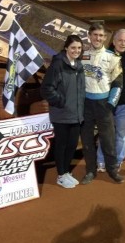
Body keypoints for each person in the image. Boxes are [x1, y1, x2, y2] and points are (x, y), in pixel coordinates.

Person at [80, 23, 125, 184]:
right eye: (95, 35)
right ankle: (90, 171)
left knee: (108, 140)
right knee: (86, 141)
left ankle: (112, 171)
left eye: (101, 35)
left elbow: (118, 84)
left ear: (105, 38)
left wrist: (110, 104)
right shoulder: (82, 55)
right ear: (89, 36)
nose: (98, 38)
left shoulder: (113, 57)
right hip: (86, 105)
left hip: (103, 104)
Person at [40, 35, 85, 188]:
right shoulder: (58, 64)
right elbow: (46, 88)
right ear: (66, 48)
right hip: (62, 114)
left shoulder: (78, 64)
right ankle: (60, 175)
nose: (76, 51)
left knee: (72, 145)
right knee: (61, 145)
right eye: (73, 47)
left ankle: (66, 172)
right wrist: (61, 102)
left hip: (76, 114)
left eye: (79, 48)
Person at [96, 29, 125, 172]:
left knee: (121, 135)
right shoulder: (103, 55)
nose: (123, 43)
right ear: (113, 41)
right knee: (105, 134)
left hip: (124, 106)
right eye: (120, 40)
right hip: (106, 104)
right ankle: (101, 161)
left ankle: (117, 161)